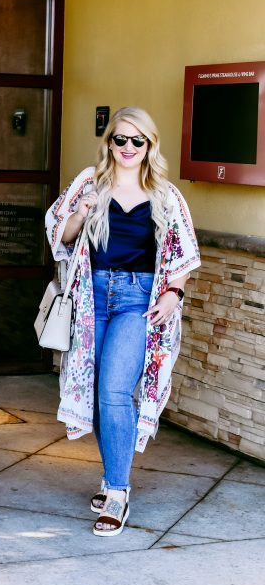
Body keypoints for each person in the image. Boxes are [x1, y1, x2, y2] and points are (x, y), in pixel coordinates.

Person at [45, 107, 201, 537]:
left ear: (150, 145)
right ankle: (110, 476)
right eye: (121, 139)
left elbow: (184, 253)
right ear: (109, 142)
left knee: (115, 390)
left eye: (138, 141)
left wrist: (174, 293)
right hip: (92, 296)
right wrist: (80, 211)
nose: (128, 148)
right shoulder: (89, 183)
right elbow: (61, 236)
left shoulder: (165, 195)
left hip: (138, 299)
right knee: (97, 394)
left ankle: (117, 492)